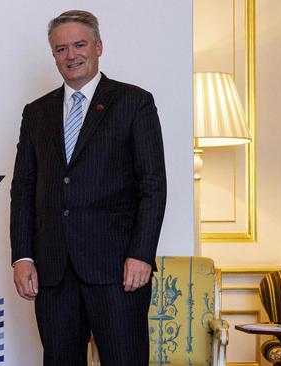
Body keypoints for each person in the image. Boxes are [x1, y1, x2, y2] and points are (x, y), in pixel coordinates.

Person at [10, 10, 167, 365]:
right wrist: (22, 256)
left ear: (98, 46)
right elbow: (23, 189)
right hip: (54, 270)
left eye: (79, 44)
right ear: (53, 55)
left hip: (117, 268)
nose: (71, 55)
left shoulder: (133, 102)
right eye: (60, 49)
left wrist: (141, 253)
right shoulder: (36, 112)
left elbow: (152, 185)